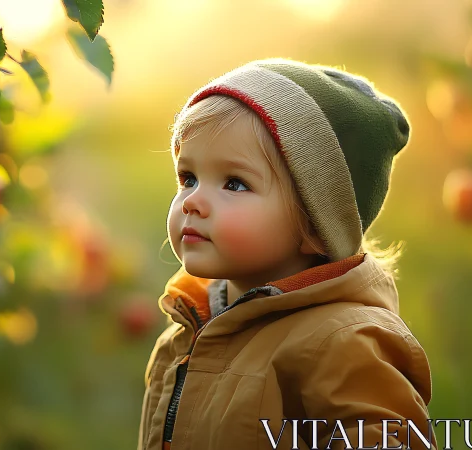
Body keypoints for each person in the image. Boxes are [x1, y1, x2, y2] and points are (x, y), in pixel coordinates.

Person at [137, 59, 437, 450]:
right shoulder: (190, 325)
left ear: (313, 226)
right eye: (188, 178)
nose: (193, 201)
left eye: (234, 183)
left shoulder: (344, 346)